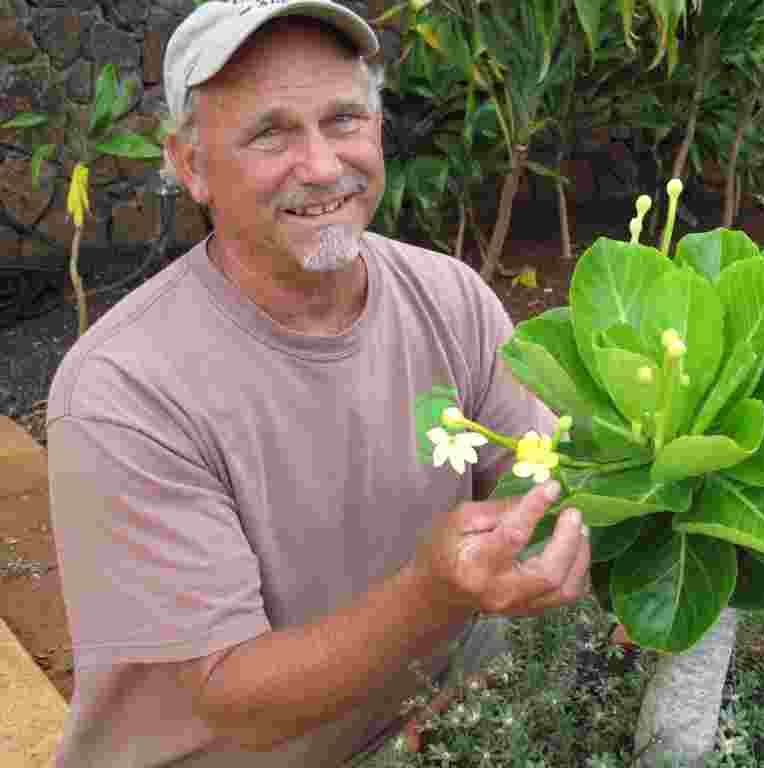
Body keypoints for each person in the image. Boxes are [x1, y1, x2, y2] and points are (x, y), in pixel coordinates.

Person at [44, 2, 591, 765]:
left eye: (344, 119)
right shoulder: (125, 390)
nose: (324, 166)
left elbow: (542, 482)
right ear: (190, 165)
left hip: (428, 731)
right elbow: (236, 701)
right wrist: (435, 591)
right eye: (271, 132)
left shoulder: (451, 298)